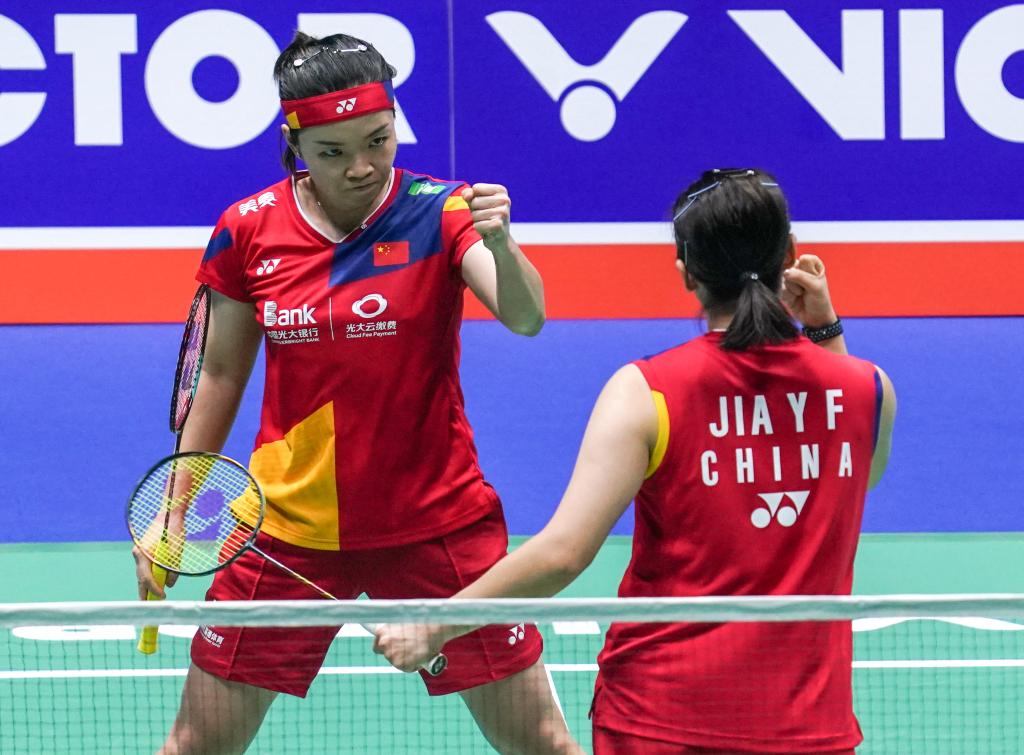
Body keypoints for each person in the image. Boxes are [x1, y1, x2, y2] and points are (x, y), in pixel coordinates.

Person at [132, 31, 580, 755]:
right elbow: (218, 375)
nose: (363, 166)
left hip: (436, 524)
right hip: (289, 530)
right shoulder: (248, 231)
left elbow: (525, 317)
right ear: (295, 145)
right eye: (333, 151)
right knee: (194, 746)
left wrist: (502, 244)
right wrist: (175, 510)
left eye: (378, 140)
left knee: (544, 744)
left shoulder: (441, 212)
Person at [375, 168, 897, 754]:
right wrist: (825, 331)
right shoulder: (867, 388)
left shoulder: (648, 391)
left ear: (687, 272)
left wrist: (436, 623)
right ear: (791, 256)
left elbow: (563, 553)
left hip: (660, 722)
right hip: (808, 729)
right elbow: (860, 472)